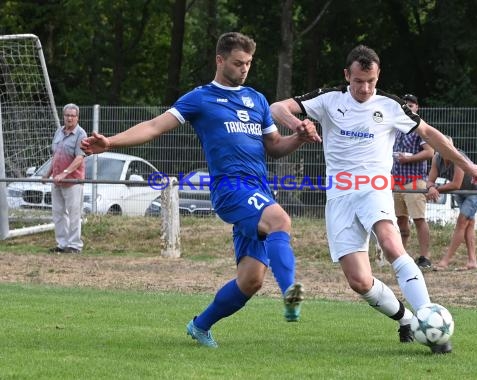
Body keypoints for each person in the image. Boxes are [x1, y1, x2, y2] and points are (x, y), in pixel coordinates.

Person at [80, 32, 321, 348]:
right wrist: (110, 142)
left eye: (248, 63)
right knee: (281, 222)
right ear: (220, 60)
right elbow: (154, 127)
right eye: (238, 63)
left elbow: (274, 147)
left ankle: (200, 326)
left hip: (259, 191)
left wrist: (299, 138)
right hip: (230, 188)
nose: (244, 68)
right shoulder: (200, 98)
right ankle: (291, 292)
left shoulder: (257, 99)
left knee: (250, 280)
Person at [270, 44, 477, 354]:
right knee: (359, 281)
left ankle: (429, 318)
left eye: (370, 80)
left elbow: (430, 134)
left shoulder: (389, 106)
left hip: (375, 188)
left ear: (377, 75)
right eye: (358, 81)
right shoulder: (329, 100)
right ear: (347, 75)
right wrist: (298, 125)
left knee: (389, 240)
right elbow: (277, 107)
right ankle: (408, 319)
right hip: (340, 196)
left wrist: (467, 165)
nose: (365, 87)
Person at [426, 136, 477, 271]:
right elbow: (430, 180)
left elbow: (456, 184)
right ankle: (472, 261)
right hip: (460, 191)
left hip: (475, 190)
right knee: (469, 223)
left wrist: (435, 189)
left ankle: (444, 262)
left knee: (461, 222)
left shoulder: (458, 157)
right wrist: (431, 188)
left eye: (450, 147)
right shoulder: (436, 158)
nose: (448, 150)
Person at [391, 94, 434, 269]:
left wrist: (409, 159)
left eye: (411, 105)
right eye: (405, 105)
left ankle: (424, 257)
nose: (408, 107)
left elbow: (430, 152)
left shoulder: (419, 128)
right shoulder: (395, 127)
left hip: (415, 181)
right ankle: (401, 254)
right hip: (396, 180)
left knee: (419, 219)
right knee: (400, 219)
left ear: (417, 108)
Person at [43, 103, 87, 254]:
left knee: (74, 214)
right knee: (58, 213)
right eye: (67, 115)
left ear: (77, 117)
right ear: (64, 116)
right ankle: (62, 244)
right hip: (56, 180)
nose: (69, 118)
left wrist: (65, 173)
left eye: (72, 116)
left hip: (73, 181)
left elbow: (80, 158)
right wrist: (47, 173)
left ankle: (74, 246)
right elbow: (55, 156)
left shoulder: (81, 134)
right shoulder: (59, 132)